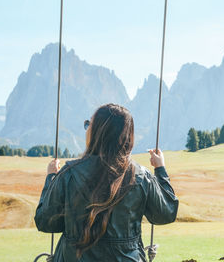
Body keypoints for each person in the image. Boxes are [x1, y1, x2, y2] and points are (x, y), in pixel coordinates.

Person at [34, 103, 179, 262]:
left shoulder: (69, 173)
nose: (87, 128)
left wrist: (51, 179)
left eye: (89, 124)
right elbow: (166, 214)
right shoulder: (141, 176)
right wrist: (160, 170)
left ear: (97, 132)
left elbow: (45, 222)